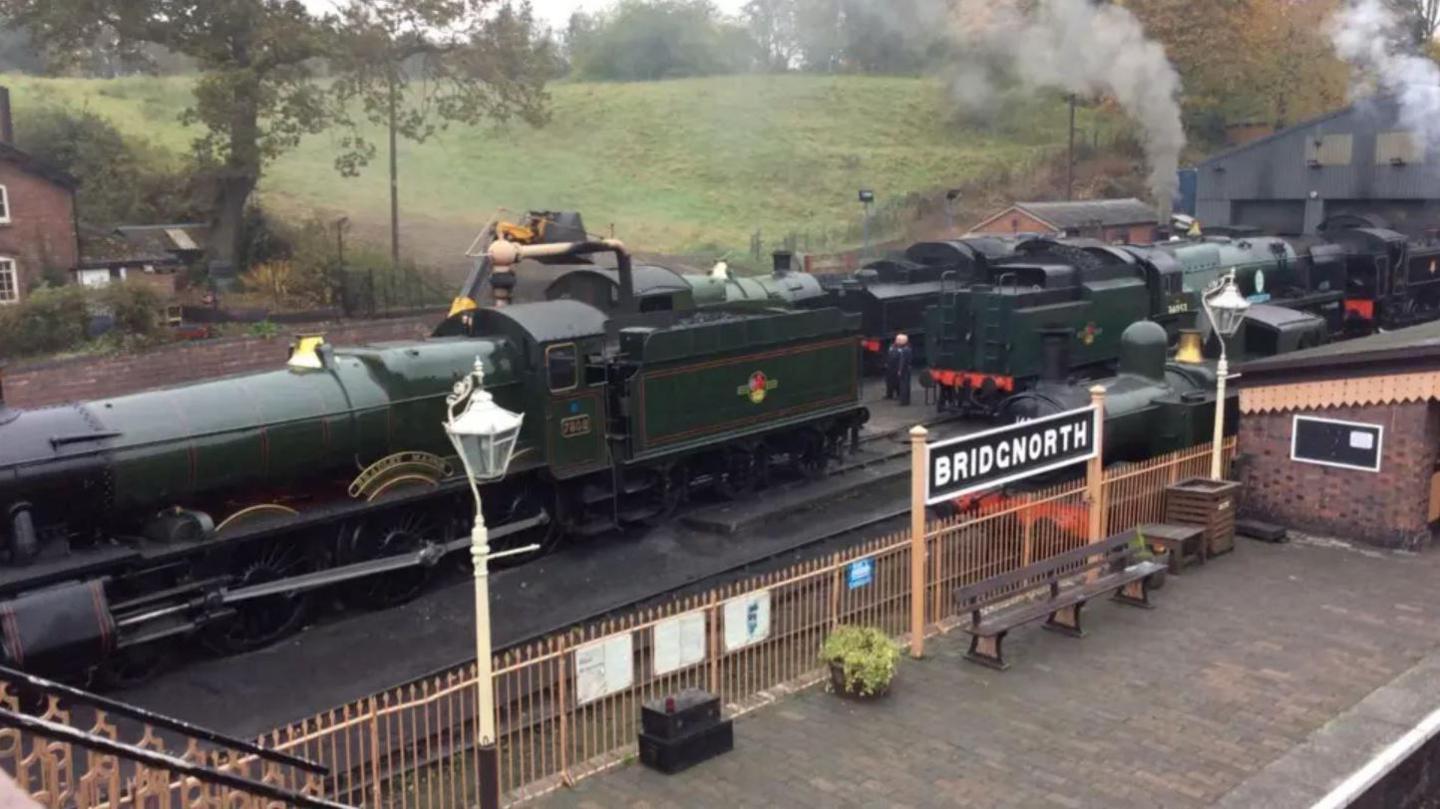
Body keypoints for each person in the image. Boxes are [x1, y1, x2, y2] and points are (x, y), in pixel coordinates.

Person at [885, 334, 913, 406]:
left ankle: (903, 400)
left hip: (902, 368)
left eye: (899, 340)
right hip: (892, 367)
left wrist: (900, 369)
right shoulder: (892, 346)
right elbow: (889, 355)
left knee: (904, 385)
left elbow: (903, 361)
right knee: (891, 381)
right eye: (897, 339)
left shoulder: (906, 349)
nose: (896, 341)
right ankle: (891, 394)